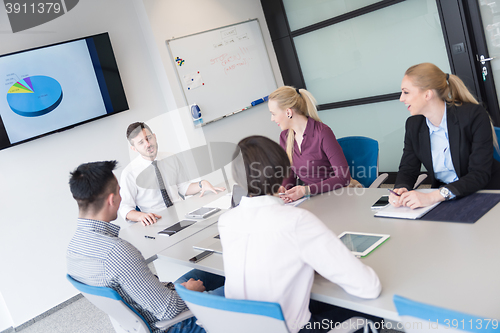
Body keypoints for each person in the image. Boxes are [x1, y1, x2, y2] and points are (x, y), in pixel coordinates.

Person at [219, 136, 381, 333]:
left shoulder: (226, 221)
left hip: (244, 328)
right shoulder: (296, 221)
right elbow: (368, 287)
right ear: (283, 170)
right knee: (371, 311)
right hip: (293, 329)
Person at [67, 160, 224, 333]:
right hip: (175, 324)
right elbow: (168, 310)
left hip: (152, 306)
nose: (121, 197)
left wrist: (181, 289)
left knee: (214, 271)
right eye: (119, 192)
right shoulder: (117, 252)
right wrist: (190, 291)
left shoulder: (74, 248)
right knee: (245, 290)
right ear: (112, 200)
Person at [391, 63, 500, 209]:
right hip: (446, 198)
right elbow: (408, 168)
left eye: (406, 92)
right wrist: (402, 188)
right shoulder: (413, 124)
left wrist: (432, 197)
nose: (401, 99)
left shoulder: (473, 115)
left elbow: (479, 174)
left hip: (485, 192)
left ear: (427, 94)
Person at [119, 122, 225, 225]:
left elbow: (183, 187)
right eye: (141, 142)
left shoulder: (171, 158)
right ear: (133, 148)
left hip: (183, 213)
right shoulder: (129, 173)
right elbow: (125, 208)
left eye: (149, 138)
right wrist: (140, 216)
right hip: (157, 221)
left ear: (155, 137)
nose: (148, 144)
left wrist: (202, 184)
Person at [268, 86, 352, 203]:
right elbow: (290, 175)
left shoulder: (322, 132)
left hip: (337, 196)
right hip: (312, 199)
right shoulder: (285, 137)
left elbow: (343, 178)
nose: (272, 119)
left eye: (273, 114)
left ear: (288, 112)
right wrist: (284, 189)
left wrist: (306, 190)